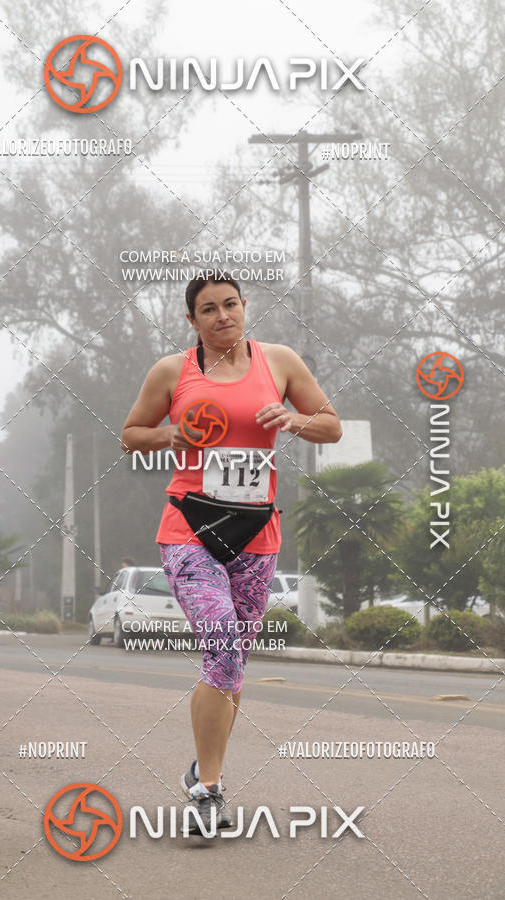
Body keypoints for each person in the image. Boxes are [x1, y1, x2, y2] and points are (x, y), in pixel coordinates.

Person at [121, 270, 341, 834]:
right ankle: (208, 790)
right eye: (209, 309)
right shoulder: (173, 371)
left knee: (232, 662)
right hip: (190, 525)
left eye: (231, 304)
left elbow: (331, 426)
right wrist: (167, 436)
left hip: (256, 532)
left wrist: (294, 419)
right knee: (221, 642)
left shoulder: (279, 361)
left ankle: (204, 768)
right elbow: (131, 434)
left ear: (245, 306)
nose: (223, 316)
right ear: (191, 319)